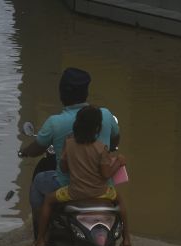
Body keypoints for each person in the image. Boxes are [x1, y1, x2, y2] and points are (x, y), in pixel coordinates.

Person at [19, 67, 121, 237]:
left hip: (70, 188)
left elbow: (38, 148)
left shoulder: (55, 123)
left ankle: (39, 235)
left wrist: (25, 152)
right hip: (102, 189)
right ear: (86, 92)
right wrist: (110, 150)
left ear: (61, 94)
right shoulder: (105, 114)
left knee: (38, 181)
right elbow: (115, 138)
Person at [31, 106, 130, 246]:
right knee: (120, 200)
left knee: (48, 201)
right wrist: (119, 162)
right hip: (101, 193)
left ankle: (40, 240)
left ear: (77, 125)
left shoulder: (69, 145)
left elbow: (63, 168)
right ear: (97, 128)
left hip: (74, 194)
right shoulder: (100, 148)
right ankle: (127, 238)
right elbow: (106, 174)